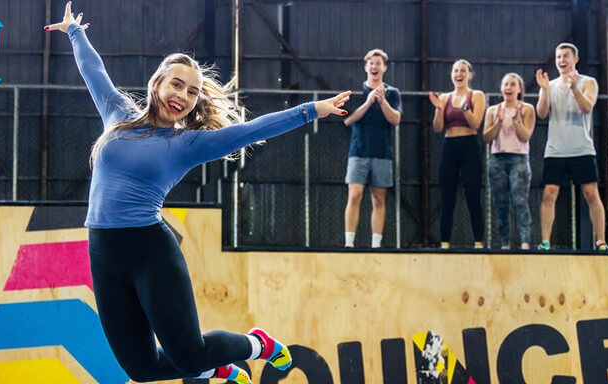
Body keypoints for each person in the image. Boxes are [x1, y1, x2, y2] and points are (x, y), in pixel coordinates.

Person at [46, 3, 351, 383]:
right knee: (140, 370)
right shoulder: (118, 114)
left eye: (192, 92)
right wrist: (75, 31)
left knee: (189, 355)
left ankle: (257, 346)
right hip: (103, 252)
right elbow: (94, 71)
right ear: (157, 82)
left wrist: (311, 110)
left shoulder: (189, 143)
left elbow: (253, 130)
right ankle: (217, 368)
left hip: (149, 251)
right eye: (177, 84)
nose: (184, 96)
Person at [535, 42, 608, 250]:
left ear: (575, 59)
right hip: (555, 150)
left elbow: (587, 107)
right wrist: (544, 90)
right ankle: (545, 242)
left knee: (591, 194)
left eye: (566, 56)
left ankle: (601, 241)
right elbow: (541, 113)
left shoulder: (589, 82)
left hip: (582, 149)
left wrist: (573, 88)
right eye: (558, 57)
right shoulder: (550, 85)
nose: (562, 60)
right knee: (549, 193)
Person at [342, 49, 402, 248]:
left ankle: (376, 244)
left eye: (378, 63)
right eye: (371, 63)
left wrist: (382, 100)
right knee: (355, 195)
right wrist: (368, 102)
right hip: (358, 152)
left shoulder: (392, 93)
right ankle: (349, 243)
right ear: (366, 66)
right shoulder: (356, 92)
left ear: (384, 67)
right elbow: (348, 120)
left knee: (379, 198)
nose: (375, 67)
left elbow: (396, 119)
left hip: (382, 153)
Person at [429, 60, 487, 249]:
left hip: (469, 146)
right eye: (456, 71)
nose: (459, 74)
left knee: (473, 195)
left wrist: (464, 108)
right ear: (452, 75)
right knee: (447, 197)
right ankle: (445, 242)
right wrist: (438, 109)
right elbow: (437, 128)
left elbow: (475, 124)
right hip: (449, 146)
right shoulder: (445, 98)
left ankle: (478, 241)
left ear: (470, 75)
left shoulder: (476, 95)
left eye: (463, 71)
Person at [483, 73, 535, 250]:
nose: (508, 88)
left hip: (518, 159)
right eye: (506, 84)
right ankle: (504, 244)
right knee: (501, 204)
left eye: (513, 85)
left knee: (520, 201)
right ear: (501, 89)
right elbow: (486, 138)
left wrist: (515, 121)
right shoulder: (493, 111)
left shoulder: (527, 109)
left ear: (519, 89)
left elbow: (525, 136)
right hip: (497, 159)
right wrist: (498, 122)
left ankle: (525, 242)